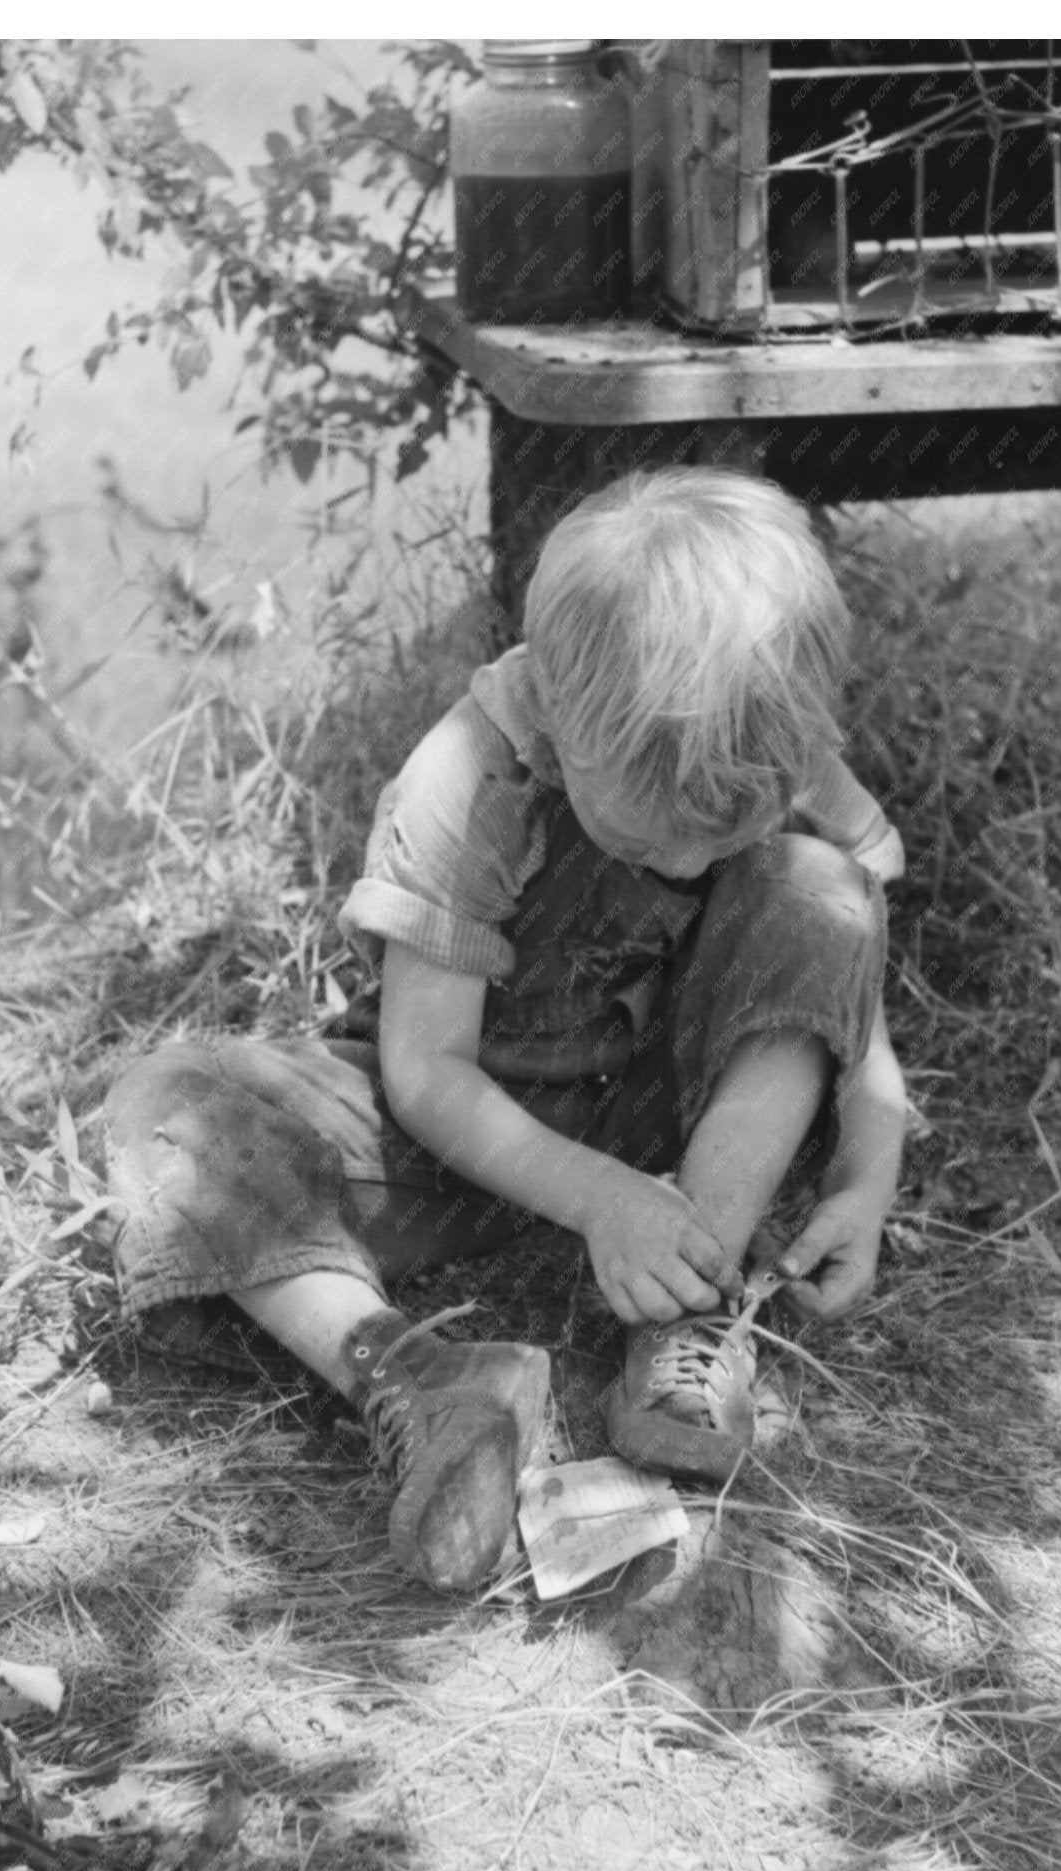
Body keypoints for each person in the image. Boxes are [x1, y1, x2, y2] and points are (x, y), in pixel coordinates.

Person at [104, 467, 908, 1596]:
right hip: (456, 1123)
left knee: (824, 887)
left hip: (667, 1103)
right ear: (564, 728)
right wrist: (598, 1199)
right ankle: (420, 1379)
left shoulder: (756, 743)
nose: (693, 856)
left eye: (726, 829)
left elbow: (845, 984)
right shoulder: (471, 778)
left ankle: (685, 1307)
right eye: (657, 833)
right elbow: (425, 1068)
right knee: (170, 1108)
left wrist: (867, 1176)